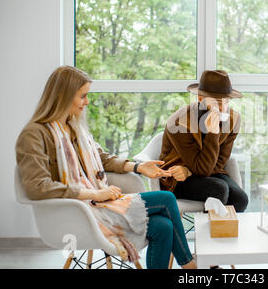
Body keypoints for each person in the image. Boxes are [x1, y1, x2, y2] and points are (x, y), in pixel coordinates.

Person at [15, 66, 197, 269]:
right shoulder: (34, 134)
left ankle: (188, 266)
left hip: (99, 205)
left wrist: (138, 167)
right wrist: (95, 193)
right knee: (166, 198)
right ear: (63, 96)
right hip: (78, 213)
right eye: (83, 96)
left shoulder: (74, 127)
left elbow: (102, 158)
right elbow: (37, 187)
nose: (87, 102)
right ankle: (189, 266)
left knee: (163, 227)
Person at [159, 69, 249, 212]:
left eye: (226, 101)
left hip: (206, 170)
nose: (223, 108)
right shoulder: (180, 123)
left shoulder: (233, 120)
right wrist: (213, 133)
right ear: (200, 98)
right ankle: (208, 233)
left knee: (240, 199)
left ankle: (227, 233)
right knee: (218, 189)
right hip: (177, 178)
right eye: (218, 102)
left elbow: (220, 161)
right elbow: (201, 168)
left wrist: (189, 171)